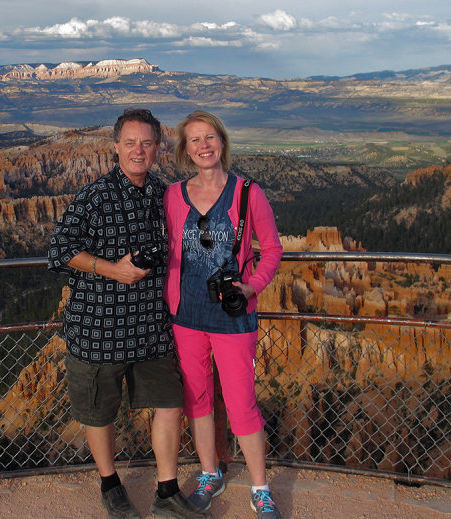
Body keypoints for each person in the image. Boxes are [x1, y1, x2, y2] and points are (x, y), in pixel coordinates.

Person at [48, 108, 210, 519]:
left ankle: (167, 491)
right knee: (100, 413)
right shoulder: (94, 196)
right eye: (130, 142)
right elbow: (59, 250)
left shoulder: (165, 195)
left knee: (170, 405)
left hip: (152, 328)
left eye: (147, 143)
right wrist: (110, 268)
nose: (139, 150)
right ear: (115, 146)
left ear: (158, 148)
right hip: (99, 329)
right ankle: (110, 485)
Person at [164, 111, 284, 519]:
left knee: (241, 403)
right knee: (196, 401)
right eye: (195, 140)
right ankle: (209, 474)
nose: (203, 146)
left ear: (222, 142)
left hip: (233, 317)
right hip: (186, 317)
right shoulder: (172, 196)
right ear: (185, 149)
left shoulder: (249, 193)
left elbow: (272, 249)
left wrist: (254, 285)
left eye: (209, 137)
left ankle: (260, 488)